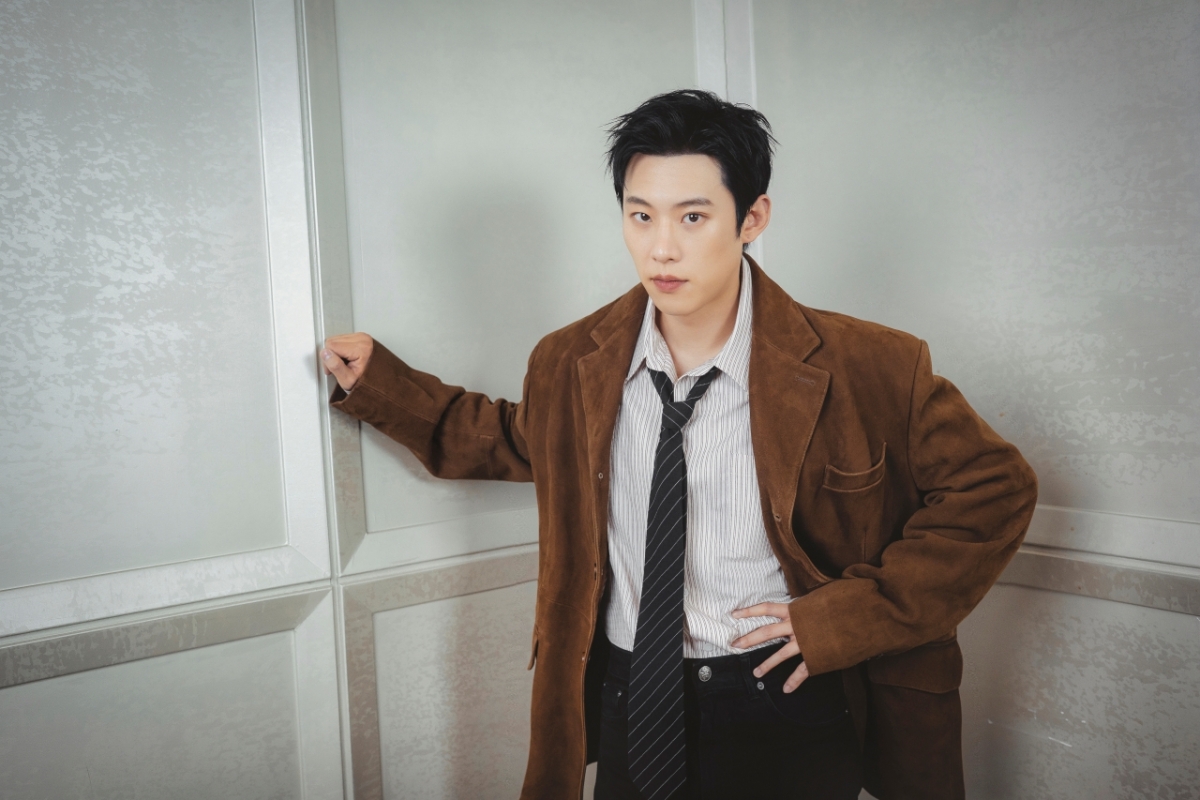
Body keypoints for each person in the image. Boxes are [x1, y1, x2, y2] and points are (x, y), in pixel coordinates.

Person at [321, 89, 1037, 800]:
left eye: (693, 217)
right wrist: (382, 386)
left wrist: (843, 619)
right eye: (641, 216)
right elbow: (514, 438)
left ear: (752, 217)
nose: (661, 248)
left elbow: (995, 491)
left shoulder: (873, 365)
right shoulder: (569, 360)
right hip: (630, 693)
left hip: (784, 697)